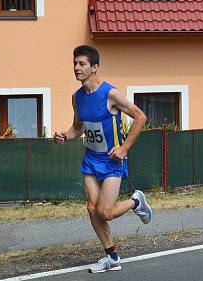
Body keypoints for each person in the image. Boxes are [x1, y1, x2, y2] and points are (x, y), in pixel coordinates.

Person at [54, 45, 152, 273]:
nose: (76, 68)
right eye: (74, 64)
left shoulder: (110, 94)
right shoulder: (77, 97)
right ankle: (112, 257)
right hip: (90, 159)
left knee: (105, 212)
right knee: (91, 208)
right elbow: (78, 128)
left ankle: (136, 202)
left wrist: (124, 148)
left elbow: (141, 117)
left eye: (82, 64)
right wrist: (64, 136)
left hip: (111, 161)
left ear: (94, 67)